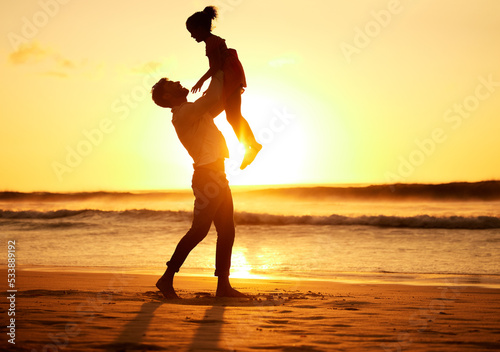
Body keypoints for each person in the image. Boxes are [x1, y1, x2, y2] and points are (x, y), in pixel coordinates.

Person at [151, 71, 247, 299]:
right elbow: (212, 99)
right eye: (172, 84)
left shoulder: (193, 111)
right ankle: (166, 279)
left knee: (227, 231)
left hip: (217, 176)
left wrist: (231, 87)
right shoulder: (182, 115)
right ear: (167, 96)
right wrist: (219, 70)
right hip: (207, 178)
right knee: (200, 230)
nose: (178, 82)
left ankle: (223, 286)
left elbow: (217, 103)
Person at [186, 6, 262, 170]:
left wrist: (201, 81)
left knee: (232, 116)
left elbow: (216, 67)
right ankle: (251, 146)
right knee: (232, 116)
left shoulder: (211, 43)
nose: (192, 36)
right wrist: (213, 87)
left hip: (230, 77)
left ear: (200, 28)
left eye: (192, 32)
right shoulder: (213, 41)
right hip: (229, 75)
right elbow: (218, 69)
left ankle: (252, 146)